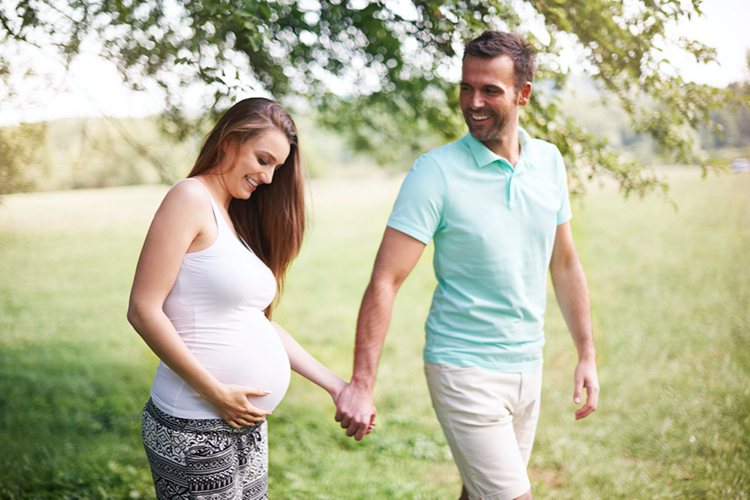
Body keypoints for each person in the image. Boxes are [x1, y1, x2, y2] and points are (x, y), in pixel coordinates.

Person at [334, 31, 599, 500]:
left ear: (523, 94)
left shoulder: (549, 162)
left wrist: (586, 353)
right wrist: (361, 382)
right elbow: (385, 280)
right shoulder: (434, 173)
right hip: (463, 368)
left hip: (527, 364)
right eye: (465, 87)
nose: (473, 101)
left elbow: (564, 261)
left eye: (490, 90)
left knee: (479, 493)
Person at [127, 98, 370, 500]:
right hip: (194, 423)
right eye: (263, 159)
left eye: (276, 166)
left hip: (241, 423)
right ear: (229, 141)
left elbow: (255, 322)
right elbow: (143, 309)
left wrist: (335, 385)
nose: (269, 177)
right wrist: (214, 392)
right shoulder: (190, 198)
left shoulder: (231, 216)